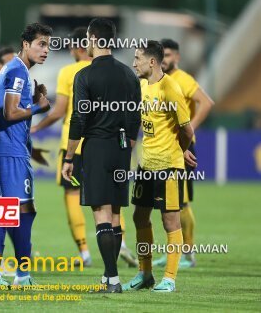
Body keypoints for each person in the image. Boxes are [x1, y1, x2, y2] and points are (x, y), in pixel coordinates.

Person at [61, 18, 141, 293]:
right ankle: (110, 278)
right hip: (121, 148)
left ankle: (112, 278)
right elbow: (135, 117)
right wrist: (126, 144)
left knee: (101, 214)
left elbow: (78, 118)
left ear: (93, 39)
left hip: (95, 146)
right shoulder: (129, 75)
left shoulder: (84, 75)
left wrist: (69, 157)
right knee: (116, 214)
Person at [122, 40, 195, 293]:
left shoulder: (170, 88)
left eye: (137, 59)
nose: (133, 63)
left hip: (168, 166)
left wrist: (181, 150)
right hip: (147, 164)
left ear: (152, 62)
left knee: (169, 221)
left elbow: (187, 128)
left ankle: (170, 279)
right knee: (139, 216)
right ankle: (145, 274)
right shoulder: (142, 86)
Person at [0, 23, 52, 287]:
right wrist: (39, 107)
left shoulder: (17, 70)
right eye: (41, 44)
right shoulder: (17, 71)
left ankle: (12, 274)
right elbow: (9, 113)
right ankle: (9, 274)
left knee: (13, 210)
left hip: (2, 150)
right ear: (26, 44)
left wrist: (32, 100)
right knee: (12, 210)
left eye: (48, 44)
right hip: (9, 153)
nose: (46, 50)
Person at [31, 27, 93, 267]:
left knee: (72, 195)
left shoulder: (68, 72)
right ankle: (121, 245)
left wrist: (37, 128)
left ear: (77, 47)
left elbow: (59, 111)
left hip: (73, 146)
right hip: (100, 144)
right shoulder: (104, 70)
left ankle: (84, 251)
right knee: (107, 201)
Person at [152, 38, 214, 268]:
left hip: (182, 146)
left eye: (168, 55)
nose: (165, 59)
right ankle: (173, 251)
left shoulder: (183, 79)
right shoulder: (158, 80)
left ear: (177, 57)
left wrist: (190, 128)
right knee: (167, 205)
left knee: (182, 203)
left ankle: (187, 254)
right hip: (164, 147)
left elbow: (206, 102)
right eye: (162, 55)